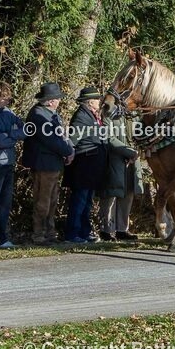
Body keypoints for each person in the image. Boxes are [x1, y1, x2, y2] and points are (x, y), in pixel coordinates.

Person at [21, 83, 75, 245]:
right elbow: (51, 140)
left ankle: (50, 233)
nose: (59, 101)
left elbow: (62, 136)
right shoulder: (39, 115)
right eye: (57, 98)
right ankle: (39, 234)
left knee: (52, 200)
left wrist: (69, 149)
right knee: (43, 200)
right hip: (44, 164)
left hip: (53, 163)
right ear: (51, 101)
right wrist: (68, 151)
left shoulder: (50, 113)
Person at [63, 87, 109, 243]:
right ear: (90, 102)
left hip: (93, 166)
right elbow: (73, 140)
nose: (99, 102)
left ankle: (84, 231)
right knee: (80, 200)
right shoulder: (81, 117)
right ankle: (72, 233)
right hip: (84, 165)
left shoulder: (93, 115)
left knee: (87, 201)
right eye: (97, 99)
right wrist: (69, 153)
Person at [99, 100, 142, 241]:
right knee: (111, 194)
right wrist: (128, 152)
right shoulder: (108, 113)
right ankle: (107, 229)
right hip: (115, 158)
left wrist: (136, 152)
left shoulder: (134, 114)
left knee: (128, 193)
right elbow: (108, 137)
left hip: (133, 159)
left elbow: (140, 135)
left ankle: (122, 229)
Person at [0, 83, 25, 249]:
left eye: (7, 98)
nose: (5, 101)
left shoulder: (8, 113)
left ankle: (1, 238)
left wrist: (11, 135)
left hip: (8, 162)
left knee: (4, 204)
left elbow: (24, 130)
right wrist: (14, 136)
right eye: (2, 98)